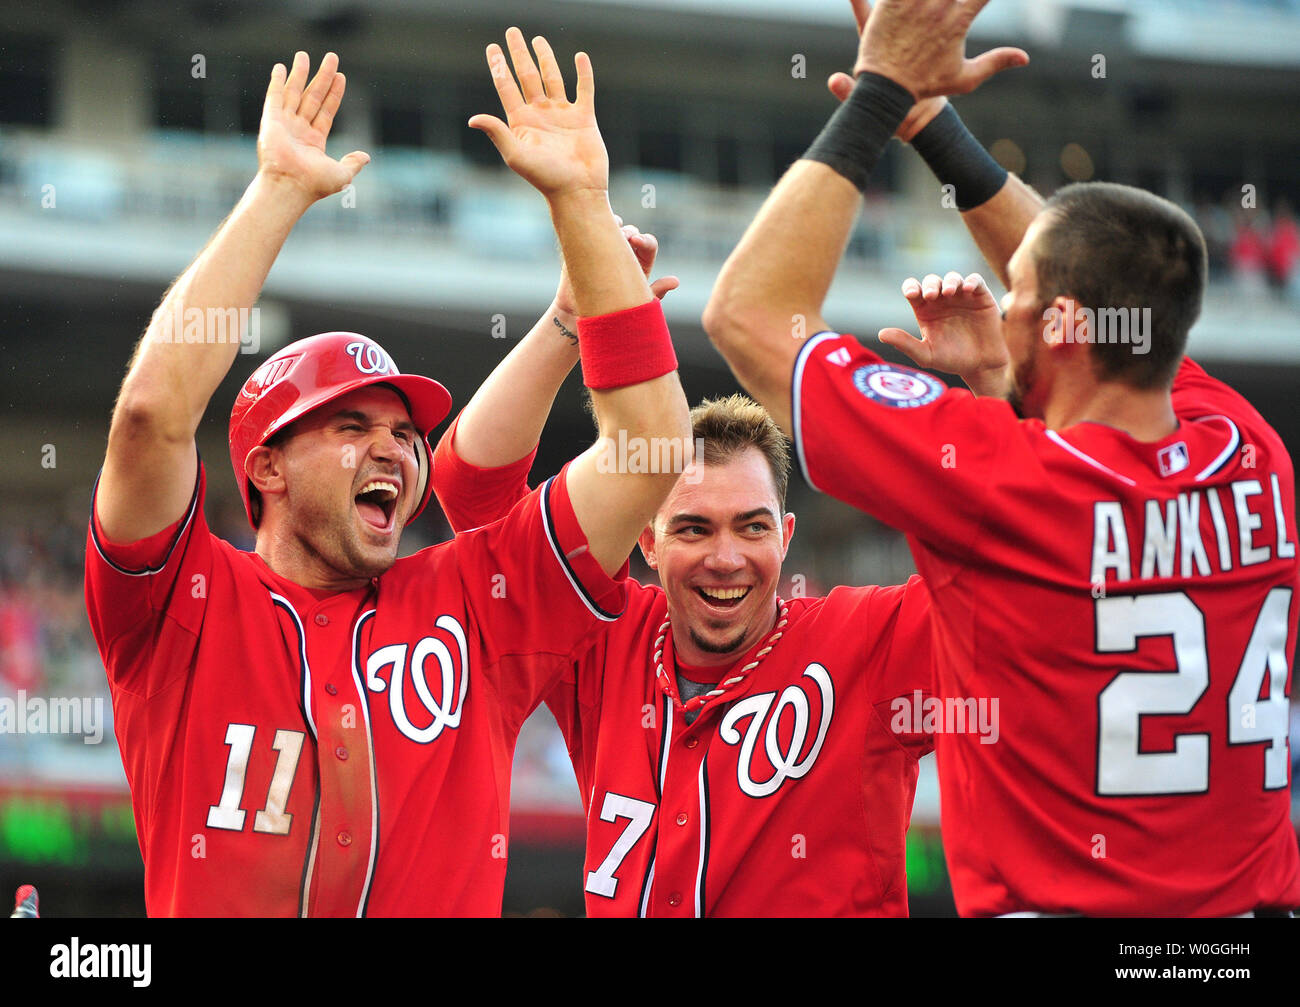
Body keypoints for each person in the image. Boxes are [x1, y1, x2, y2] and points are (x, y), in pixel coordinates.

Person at [703, 0, 1300, 916]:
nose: (1003, 298)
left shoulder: (995, 475)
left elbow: (746, 311)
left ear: (1059, 324)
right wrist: (933, 127)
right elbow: (1093, 276)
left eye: (1017, 289)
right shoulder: (1251, 449)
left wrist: (881, 88)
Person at [84, 33, 691, 916]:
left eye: (408, 435)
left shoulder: (477, 600)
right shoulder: (181, 600)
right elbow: (149, 415)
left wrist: (582, 206)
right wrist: (280, 190)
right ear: (266, 467)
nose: (395, 451)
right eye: (351, 424)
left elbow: (651, 445)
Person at [431, 212, 937, 916]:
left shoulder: (867, 641)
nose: (725, 557)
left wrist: (1000, 386)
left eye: (751, 526)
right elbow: (469, 487)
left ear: (785, 536)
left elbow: (1019, 590)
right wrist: (566, 322)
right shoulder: (600, 641)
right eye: (694, 527)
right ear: (646, 541)